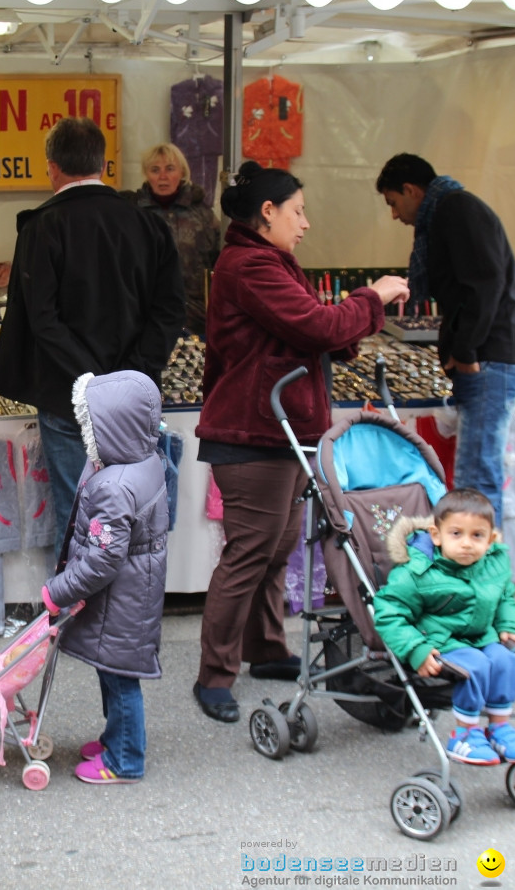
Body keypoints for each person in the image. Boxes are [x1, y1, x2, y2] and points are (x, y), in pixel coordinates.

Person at [193, 161, 409, 723]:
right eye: (298, 210)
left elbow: (312, 331)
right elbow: (317, 327)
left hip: (281, 428)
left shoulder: (271, 263)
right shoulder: (248, 266)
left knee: (274, 551)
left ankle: (265, 650)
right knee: (249, 554)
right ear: (268, 213)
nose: (306, 223)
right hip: (251, 430)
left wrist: (346, 330)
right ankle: (214, 675)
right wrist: (372, 297)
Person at [0, 117, 185, 543]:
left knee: (79, 511)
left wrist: (91, 381)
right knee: (132, 507)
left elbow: (42, 318)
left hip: (68, 397)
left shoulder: (42, 227)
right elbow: (169, 311)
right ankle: (128, 604)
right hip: (134, 396)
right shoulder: (149, 225)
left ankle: (80, 605)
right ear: (103, 166)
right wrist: (130, 374)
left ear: (52, 167)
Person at [376, 153, 515, 527]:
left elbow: (485, 285)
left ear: (412, 190)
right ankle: (476, 567)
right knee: (475, 473)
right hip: (488, 356)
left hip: (491, 359)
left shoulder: (456, 210)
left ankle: (479, 574)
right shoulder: (448, 211)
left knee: (476, 477)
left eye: (394, 203)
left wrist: (465, 351)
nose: (395, 215)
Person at [41, 370, 170, 785]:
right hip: (131, 594)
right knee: (112, 672)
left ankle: (126, 758)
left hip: (121, 601)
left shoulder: (116, 485)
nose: (86, 435)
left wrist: (57, 591)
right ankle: (117, 737)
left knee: (118, 679)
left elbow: (102, 560)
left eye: (91, 426)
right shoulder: (140, 462)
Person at [372, 488, 515, 765]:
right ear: (436, 536)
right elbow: (390, 613)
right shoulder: (417, 572)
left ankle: (499, 727)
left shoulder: (493, 565)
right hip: (439, 641)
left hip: (482, 636)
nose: (467, 544)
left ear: (491, 539)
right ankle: (464, 734)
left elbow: (505, 595)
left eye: (477, 536)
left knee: (508, 661)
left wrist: (508, 625)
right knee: (476, 666)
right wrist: (416, 649)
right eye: (456, 534)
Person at [120, 142, 220, 337]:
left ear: (182, 172)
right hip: (146, 316)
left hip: (197, 317)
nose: (163, 177)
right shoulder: (134, 213)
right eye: (155, 170)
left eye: (170, 169)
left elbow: (218, 264)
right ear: (146, 174)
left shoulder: (203, 214)